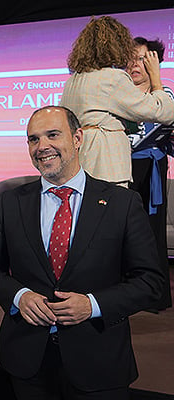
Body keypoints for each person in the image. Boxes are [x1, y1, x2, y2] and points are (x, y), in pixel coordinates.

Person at [0, 105, 164, 399]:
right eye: (33, 139)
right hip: (27, 361)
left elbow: (151, 283)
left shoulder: (122, 203)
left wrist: (93, 305)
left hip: (99, 362)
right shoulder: (10, 202)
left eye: (53, 135)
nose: (42, 147)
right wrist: (18, 296)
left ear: (77, 138)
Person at [60, 16, 174, 186]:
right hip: (105, 165)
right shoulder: (112, 77)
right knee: (112, 211)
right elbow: (164, 112)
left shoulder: (72, 81)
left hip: (79, 163)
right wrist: (156, 78)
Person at [126, 36, 173, 312]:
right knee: (124, 232)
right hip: (122, 167)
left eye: (144, 59)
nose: (135, 64)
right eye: (131, 58)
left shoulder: (164, 93)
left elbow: (168, 120)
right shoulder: (120, 95)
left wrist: (157, 80)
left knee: (151, 234)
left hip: (152, 168)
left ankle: (154, 296)